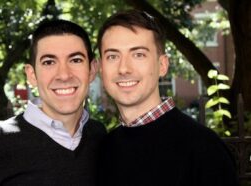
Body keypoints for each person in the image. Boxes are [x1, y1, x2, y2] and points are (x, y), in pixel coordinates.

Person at [97, 9, 238, 186]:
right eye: (112, 56)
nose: (124, 68)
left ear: (162, 65)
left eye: (138, 54)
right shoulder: (104, 149)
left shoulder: (204, 149)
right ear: (101, 68)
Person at [0, 19, 106, 185]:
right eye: (49, 62)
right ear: (31, 75)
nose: (64, 75)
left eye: (75, 60)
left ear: (92, 69)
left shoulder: (99, 135)